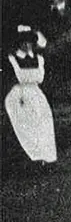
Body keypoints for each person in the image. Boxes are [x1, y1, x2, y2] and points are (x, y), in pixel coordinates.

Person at [4, 25, 56, 170]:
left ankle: (43, 158)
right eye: (23, 42)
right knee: (23, 124)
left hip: (36, 94)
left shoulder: (39, 59)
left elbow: (40, 78)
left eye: (29, 42)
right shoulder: (12, 59)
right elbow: (10, 79)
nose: (27, 45)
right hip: (18, 95)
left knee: (43, 123)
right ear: (18, 43)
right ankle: (27, 158)